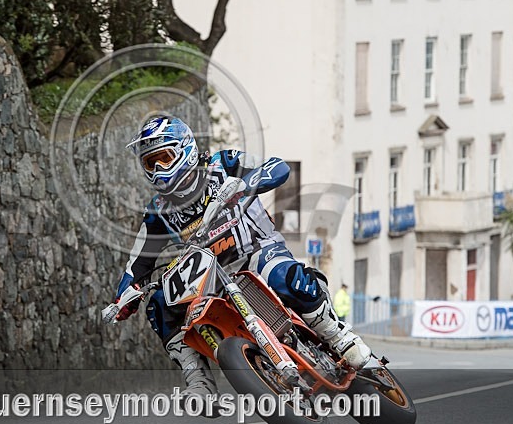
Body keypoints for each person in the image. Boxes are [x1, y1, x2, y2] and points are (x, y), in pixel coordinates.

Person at [102, 116, 372, 402]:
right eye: (149, 163)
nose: (157, 169)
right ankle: (199, 382)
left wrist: (245, 184)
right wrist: (123, 298)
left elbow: (277, 167)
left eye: (164, 158)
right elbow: (138, 263)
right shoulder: (158, 210)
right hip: (213, 275)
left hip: (257, 250)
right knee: (159, 304)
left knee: (282, 276)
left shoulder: (223, 163)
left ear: (187, 150)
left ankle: (336, 335)